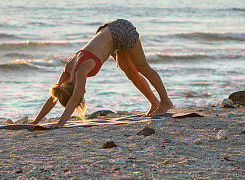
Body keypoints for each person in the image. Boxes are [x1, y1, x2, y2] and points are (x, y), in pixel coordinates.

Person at [32, 19, 173, 128]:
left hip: (120, 30)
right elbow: (53, 98)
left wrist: (60, 123)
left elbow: (74, 99)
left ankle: (165, 102)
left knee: (142, 67)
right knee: (131, 74)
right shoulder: (68, 70)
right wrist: (35, 122)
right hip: (109, 33)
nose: (84, 92)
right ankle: (154, 103)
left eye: (81, 93)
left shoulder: (82, 69)